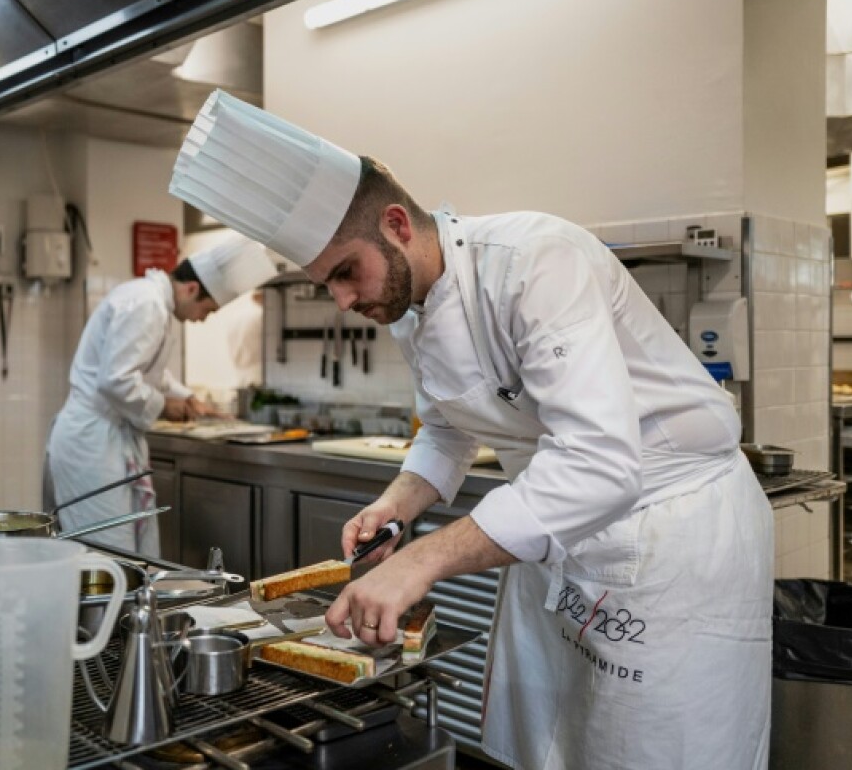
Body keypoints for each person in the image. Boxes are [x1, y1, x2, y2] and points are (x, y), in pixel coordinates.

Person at [169, 90, 773, 770]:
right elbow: (449, 429)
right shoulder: (410, 311)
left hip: (668, 535)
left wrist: (419, 563)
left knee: (651, 751)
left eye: (344, 272)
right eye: (324, 284)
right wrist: (397, 506)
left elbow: (601, 461)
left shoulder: (536, 261)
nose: (341, 300)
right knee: (542, 745)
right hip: (559, 542)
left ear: (397, 224)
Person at [46, 234, 277, 556]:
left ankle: (124, 608)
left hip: (108, 442)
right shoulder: (147, 303)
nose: (201, 319)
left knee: (126, 556)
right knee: (107, 557)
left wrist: (189, 398)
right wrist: (166, 406)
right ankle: (112, 609)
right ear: (191, 288)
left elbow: (149, 373)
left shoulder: (152, 302)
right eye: (206, 310)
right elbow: (115, 380)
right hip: (92, 444)